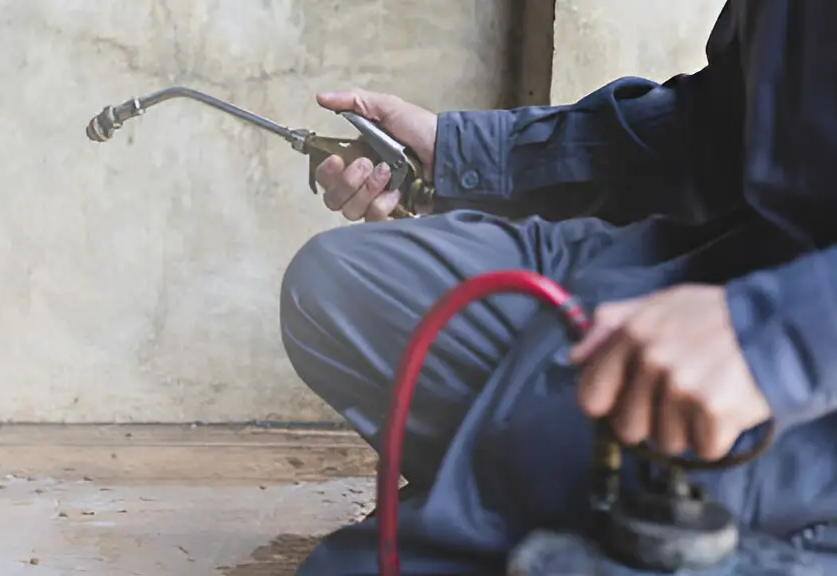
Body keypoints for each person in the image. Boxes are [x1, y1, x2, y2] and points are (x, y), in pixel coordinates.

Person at [281, 1, 837, 573]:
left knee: (358, 566)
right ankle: (520, 493)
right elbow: (719, 122)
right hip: (726, 263)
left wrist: (775, 338)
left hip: (807, 379)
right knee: (337, 286)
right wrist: (462, 153)